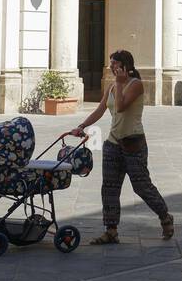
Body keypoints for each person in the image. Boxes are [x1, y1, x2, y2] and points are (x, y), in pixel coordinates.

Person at [73, 49, 174, 244]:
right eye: (110, 65)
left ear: (126, 66)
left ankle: (165, 216)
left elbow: (120, 106)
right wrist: (81, 126)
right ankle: (111, 230)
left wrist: (119, 84)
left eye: (115, 65)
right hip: (113, 143)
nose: (111, 68)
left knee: (142, 186)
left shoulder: (136, 85)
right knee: (109, 188)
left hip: (133, 144)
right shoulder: (112, 87)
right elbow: (101, 110)